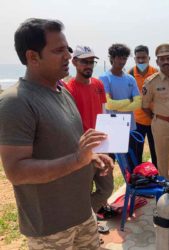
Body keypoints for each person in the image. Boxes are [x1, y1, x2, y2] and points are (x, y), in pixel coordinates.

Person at [0, 18, 113, 249]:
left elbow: (71, 146)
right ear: (33, 57)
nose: (68, 56)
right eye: (58, 50)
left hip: (83, 216)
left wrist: (92, 158)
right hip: (51, 230)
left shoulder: (63, 92)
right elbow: (16, 171)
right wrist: (76, 160)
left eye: (68, 49)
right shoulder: (16, 101)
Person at [65, 45, 114, 214]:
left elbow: (104, 111)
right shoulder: (68, 89)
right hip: (82, 149)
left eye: (91, 62)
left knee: (107, 189)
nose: (89, 66)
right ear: (75, 62)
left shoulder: (98, 84)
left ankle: (85, 215)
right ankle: (87, 222)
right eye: (85, 62)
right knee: (83, 191)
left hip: (101, 147)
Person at [142, 44, 169, 180]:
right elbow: (144, 106)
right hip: (161, 125)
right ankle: (166, 193)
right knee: (162, 161)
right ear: (157, 62)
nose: (166, 61)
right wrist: (157, 118)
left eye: (168, 58)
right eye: (162, 59)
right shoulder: (151, 82)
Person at [99, 43, 141, 166]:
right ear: (112, 58)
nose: (122, 61)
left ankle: (130, 186)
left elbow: (138, 103)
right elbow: (109, 104)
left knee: (132, 164)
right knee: (110, 165)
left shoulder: (130, 79)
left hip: (130, 127)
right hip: (112, 128)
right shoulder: (104, 78)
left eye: (124, 58)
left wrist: (121, 104)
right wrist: (128, 101)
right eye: (119, 57)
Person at [129, 45, 158, 166]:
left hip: (155, 120)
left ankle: (158, 177)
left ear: (149, 58)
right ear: (135, 59)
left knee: (157, 153)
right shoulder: (130, 75)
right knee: (136, 154)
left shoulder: (156, 73)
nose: (141, 61)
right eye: (138, 58)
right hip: (137, 121)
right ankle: (139, 179)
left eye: (144, 58)